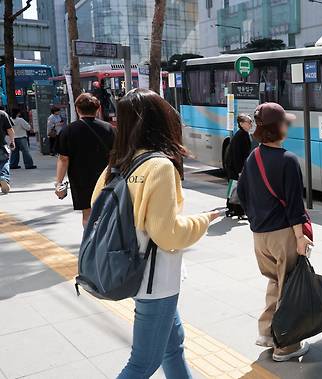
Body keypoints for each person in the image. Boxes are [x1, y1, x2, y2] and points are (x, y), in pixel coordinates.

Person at [91, 88, 221, 378]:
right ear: (161, 120)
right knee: (143, 364)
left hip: (129, 269)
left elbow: (96, 207)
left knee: (172, 348)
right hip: (155, 279)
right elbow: (168, 235)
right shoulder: (159, 166)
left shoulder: (117, 164)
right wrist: (204, 220)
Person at [237, 102, 313, 362]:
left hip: (260, 236)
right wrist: (300, 239)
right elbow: (294, 206)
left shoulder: (252, 157)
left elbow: (243, 194)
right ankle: (286, 345)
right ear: (277, 128)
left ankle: (268, 333)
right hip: (283, 234)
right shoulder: (287, 160)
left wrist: (257, 221)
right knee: (289, 287)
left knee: (275, 282)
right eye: (284, 122)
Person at [56, 93, 115, 227]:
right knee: (107, 210)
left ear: (77, 109)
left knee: (87, 213)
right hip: (106, 176)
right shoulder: (109, 129)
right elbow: (116, 154)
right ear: (98, 109)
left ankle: (90, 242)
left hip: (80, 178)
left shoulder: (68, 130)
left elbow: (63, 158)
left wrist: (58, 183)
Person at [225, 113, 253, 216]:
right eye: (249, 122)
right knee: (237, 188)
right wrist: (240, 171)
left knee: (234, 187)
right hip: (236, 167)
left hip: (234, 166)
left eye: (251, 122)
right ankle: (237, 211)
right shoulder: (242, 135)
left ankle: (232, 209)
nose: (251, 124)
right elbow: (237, 156)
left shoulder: (242, 134)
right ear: (241, 123)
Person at [0, 109, 15, 194]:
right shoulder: (2, 114)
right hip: (1, 145)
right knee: (4, 161)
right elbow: (10, 130)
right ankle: (3, 178)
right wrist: (12, 141)